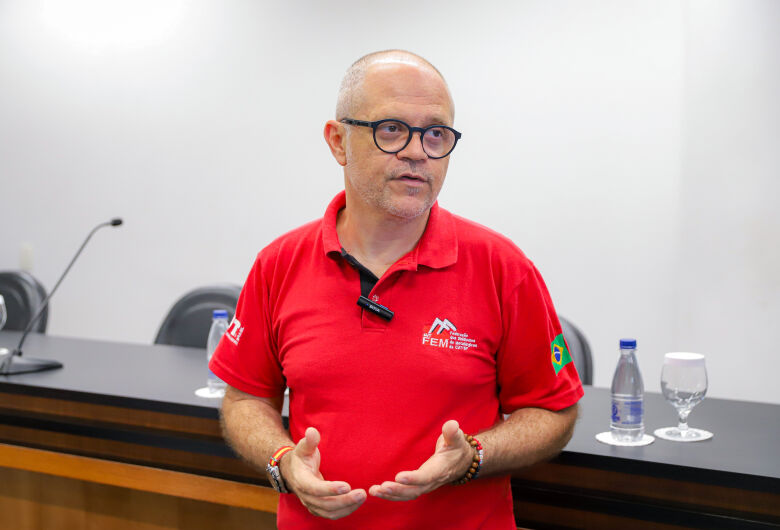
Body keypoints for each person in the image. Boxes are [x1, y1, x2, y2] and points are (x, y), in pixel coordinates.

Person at [210, 49, 583, 529]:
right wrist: (282, 461)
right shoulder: (278, 265)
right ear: (338, 142)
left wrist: (473, 455)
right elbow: (245, 400)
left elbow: (552, 411)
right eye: (391, 129)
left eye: (436, 134)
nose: (417, 152)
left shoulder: (503, 268)